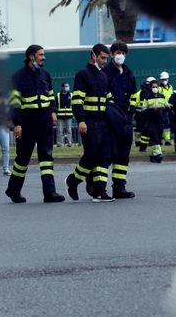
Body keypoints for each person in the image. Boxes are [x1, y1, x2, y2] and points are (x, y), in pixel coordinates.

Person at [4, 44, 65, 203]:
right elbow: (14, 103)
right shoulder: (18, 77)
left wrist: (53, 111)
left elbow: (51, 95)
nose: (43, 57)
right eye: (40, 55)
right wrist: (17, 123)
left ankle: (49, 193)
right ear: (31, 56)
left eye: (43, 55)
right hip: (27, 123)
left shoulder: (46, 74)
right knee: (23, 159)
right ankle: (13, 190)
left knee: (46, 157)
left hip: (44, 122)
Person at [65, 44, 115, 202]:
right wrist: (81, 120)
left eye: (106, 58)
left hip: (103, 122)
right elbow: (77, 99)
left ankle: (100, 192)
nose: (105, 61)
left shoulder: (104, 76)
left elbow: (109, 99)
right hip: (89, 122)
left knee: (104, 157)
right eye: (102, 57)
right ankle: (73, 180)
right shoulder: (83, 74)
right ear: (93, 56)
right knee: (92, 155)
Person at [102, 41, 137, 199]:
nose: (120, 55)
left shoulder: (129, 73)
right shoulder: (105, 72)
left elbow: (134, 95)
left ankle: (119, 187)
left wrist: (131, 112)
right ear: (111, 54)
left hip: (126, 120)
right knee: (109, 154)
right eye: (117, 52)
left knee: (123, 155)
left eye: (123, 53)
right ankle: (95, 184)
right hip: (110, 120)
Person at [140, 77, 168, 163]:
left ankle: (153, 155)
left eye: (156, 87)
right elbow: (144, 109)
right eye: (153, 87)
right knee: (154, 138)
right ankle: (158, 154)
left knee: (159, 138)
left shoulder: (162, 96)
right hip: (151, 121)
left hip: (160, 120)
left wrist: (163, 108)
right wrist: (153, 109)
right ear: (150, 88)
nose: (155, 88)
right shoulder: (147, 97)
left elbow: (167, 107)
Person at [56, 82, 74, 147]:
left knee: (69, 130)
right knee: (60, 130)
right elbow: (55, 105)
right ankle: (59, 144)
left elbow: (73, 105)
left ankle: (69, 143)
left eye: (68, 86)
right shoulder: (58, 95)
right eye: (66, 86)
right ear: (62, 87)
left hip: (69, 116)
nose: (67, 88)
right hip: (60, 116)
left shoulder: (71, 95)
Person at [158, 71, 174, 145]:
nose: (164, 81)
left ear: (168, 79)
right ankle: (161, 139)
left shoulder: (170, 87)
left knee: (168, 124)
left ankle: (167, 139)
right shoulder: (159, 88)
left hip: (169, 108)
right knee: (162, 123)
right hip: (162, 108)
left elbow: (171, 96)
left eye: (165, 79)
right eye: (163, 79)